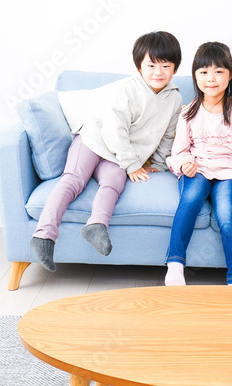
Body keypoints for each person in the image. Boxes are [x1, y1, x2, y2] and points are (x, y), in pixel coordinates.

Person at [29, 31, 184, 272]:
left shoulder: (174, 98)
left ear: (175, 68)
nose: (158, 72)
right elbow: (113, 129)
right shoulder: (129, 89)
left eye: (166, 66)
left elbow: (167, 135)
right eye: (151, 65)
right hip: (94, 139)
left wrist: (159, 163)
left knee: (113, 182)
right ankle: (43, 235)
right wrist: (132, 164)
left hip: (117, 154)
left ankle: (96, 226)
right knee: (73, 180)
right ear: (139, 67)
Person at [164, 42, 232, 286]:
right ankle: (175, 265)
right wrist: (185, 164)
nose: (211, 78)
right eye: (204, 72)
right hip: (198, 168)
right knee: (190, 200)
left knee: (227, 214)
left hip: (229, 171)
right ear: (195, 76)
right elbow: (179, 151)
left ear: (230, 75)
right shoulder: (189, 112)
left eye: (219, 71)